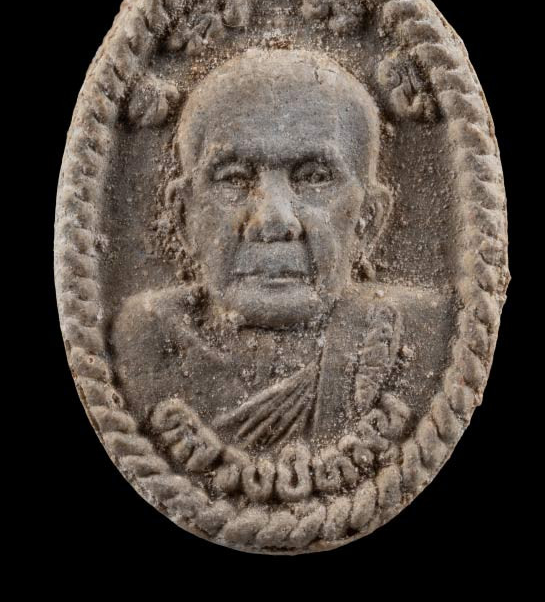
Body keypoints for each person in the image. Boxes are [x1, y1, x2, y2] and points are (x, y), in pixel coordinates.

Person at [112, 49, 450, 450]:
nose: (273, 220)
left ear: (368, 220)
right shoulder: (141, 344)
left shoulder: (432, 338)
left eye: (314, 177)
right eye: (234, 178)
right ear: (184, 216)